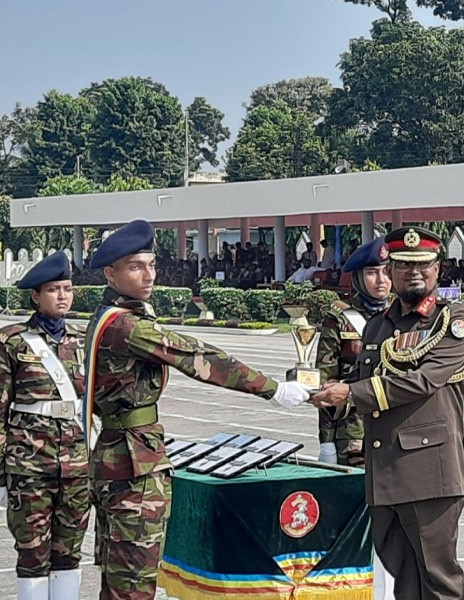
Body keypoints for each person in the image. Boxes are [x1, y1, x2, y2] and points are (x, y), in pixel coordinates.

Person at [85, 220, 312, 600]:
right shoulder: (126, 326)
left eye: (152, 264)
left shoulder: (110, 315)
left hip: (120, 453)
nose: (148, 275)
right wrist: (272, 389)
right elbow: (196, 357)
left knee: (118, 578)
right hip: (132, 462)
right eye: (135, 267)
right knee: (134, 583)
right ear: (111, 273)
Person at [312, 226, 464, 600]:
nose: (413, 272)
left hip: (429, 471)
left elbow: (421, 382)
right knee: (403, 577)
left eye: (423, 265)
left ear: (439, 268)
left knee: (438, 581)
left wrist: (350, 392)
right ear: (392, 271)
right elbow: (359, 379)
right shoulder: (379, 324)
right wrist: (317, 390)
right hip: (384, 471)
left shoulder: (452, 321)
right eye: (403, 265)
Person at [0, 253, 88, 600]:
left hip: (77, 465)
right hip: (29, 466)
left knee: (69, 552)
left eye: (67, 289)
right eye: (54, 289)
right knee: (33, 554)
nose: (63, 296)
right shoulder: (13, 342)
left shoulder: (82, 340)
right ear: (35, 296)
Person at [314, 237, 392, 466]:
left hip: (394, 433)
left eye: (387, 272)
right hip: (353, 437)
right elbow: (326, 382)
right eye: (371, 273)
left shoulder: (403, 318)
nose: (381, 280)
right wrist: (326, 441)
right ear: (358, 277)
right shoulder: (339, 320)